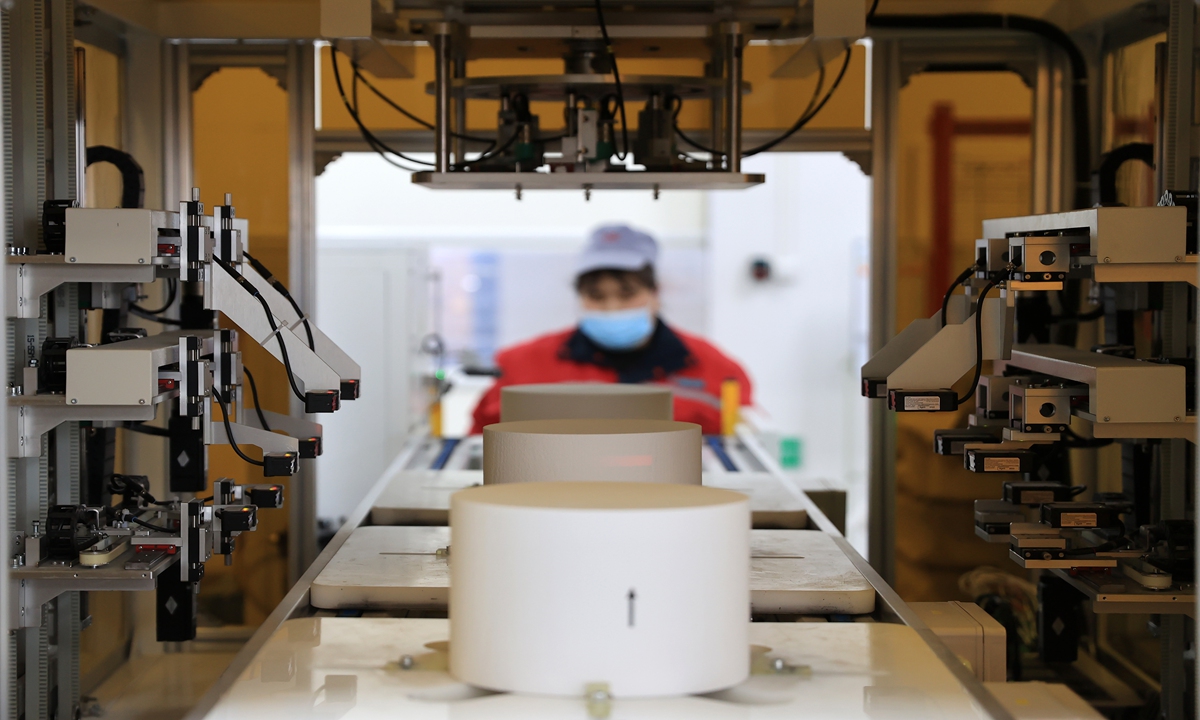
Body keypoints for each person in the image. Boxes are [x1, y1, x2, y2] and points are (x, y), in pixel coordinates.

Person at [470, 224, 753, 434]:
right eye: (597, 296)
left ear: (655, 293)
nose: (611, 307)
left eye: (627, 294)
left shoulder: (715, 369)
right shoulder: (522, 366)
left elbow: (743, 449)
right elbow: (480, 443)